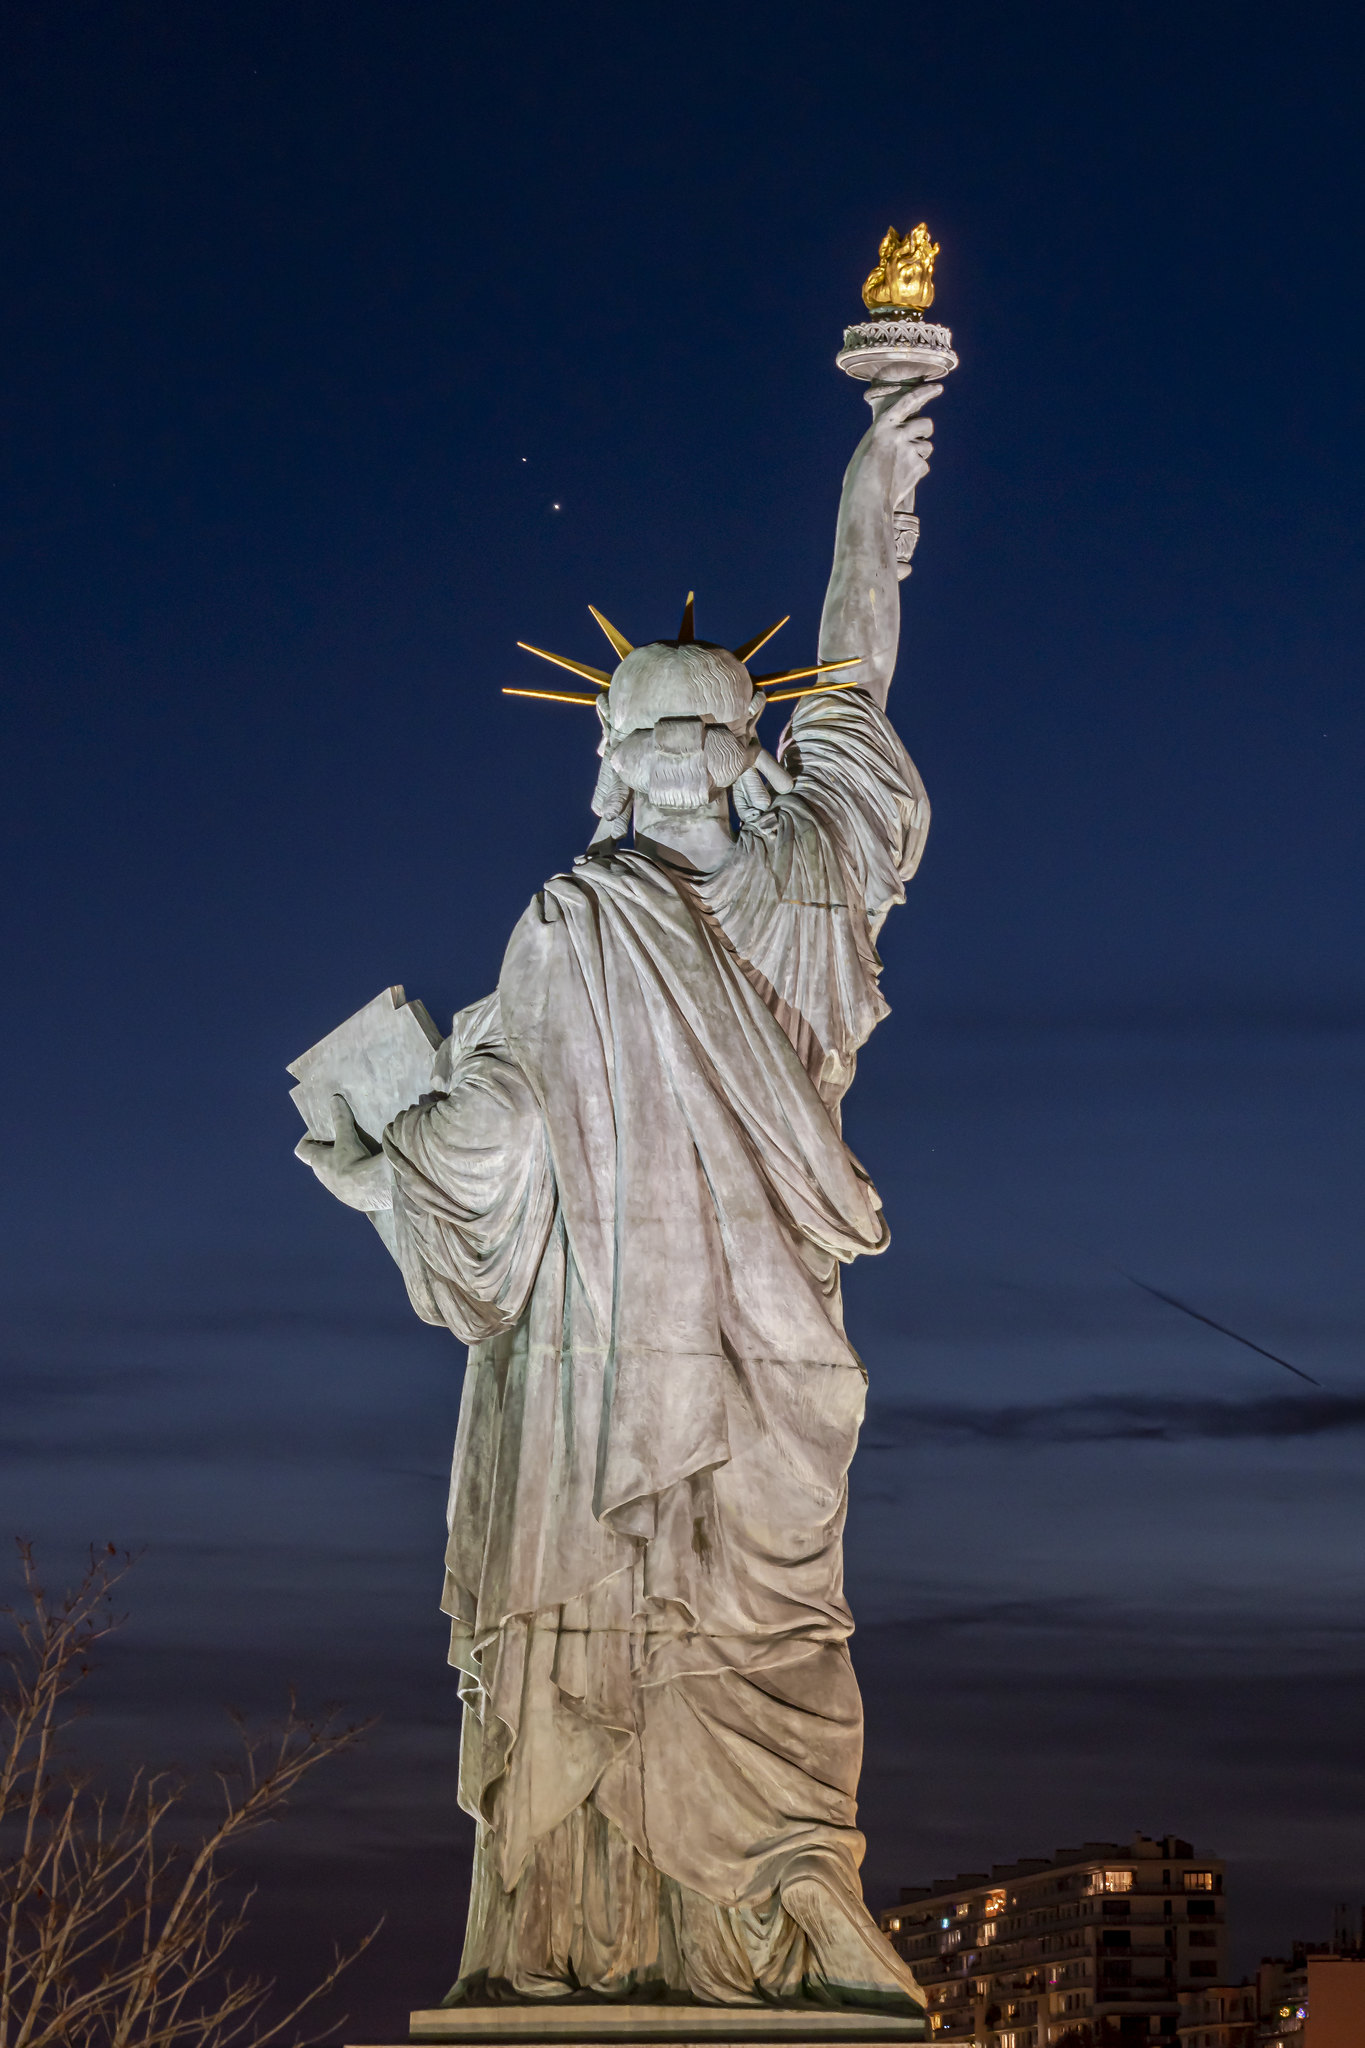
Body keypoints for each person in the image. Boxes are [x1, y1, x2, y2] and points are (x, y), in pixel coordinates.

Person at [297, 381, 941, 2009]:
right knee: (613, 1605)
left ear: (745, 745)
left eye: (706, 731)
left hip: (772, 1334)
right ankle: (589, 1936)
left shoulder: (814, 874)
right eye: (646, 734)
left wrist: (876, 482)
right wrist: (394, 1164)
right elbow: (507, 1128)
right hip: (604, 1359)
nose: (676, 760)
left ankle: (793, 1887)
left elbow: (855, 678)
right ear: (609, 755)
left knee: (778, 1612)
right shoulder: (573, 922)